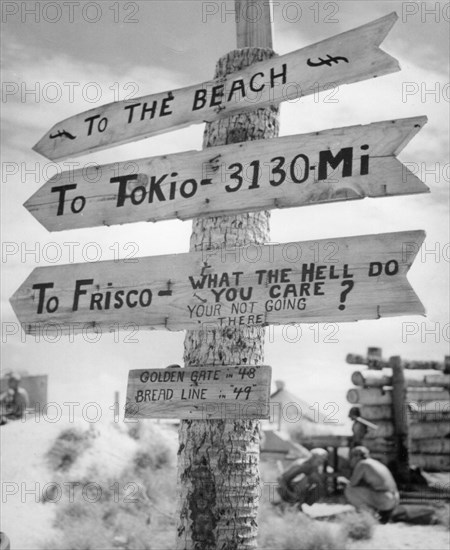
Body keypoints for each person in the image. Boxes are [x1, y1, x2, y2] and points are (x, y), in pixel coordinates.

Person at [344, 446, 399, 523]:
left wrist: (344, 481)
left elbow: (353, 483)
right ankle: (380, 515)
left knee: (349, 489)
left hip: (385, 499)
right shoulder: (374, 462)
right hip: (394, 499)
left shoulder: (362, 464)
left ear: (357, 456)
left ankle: (368, 515)